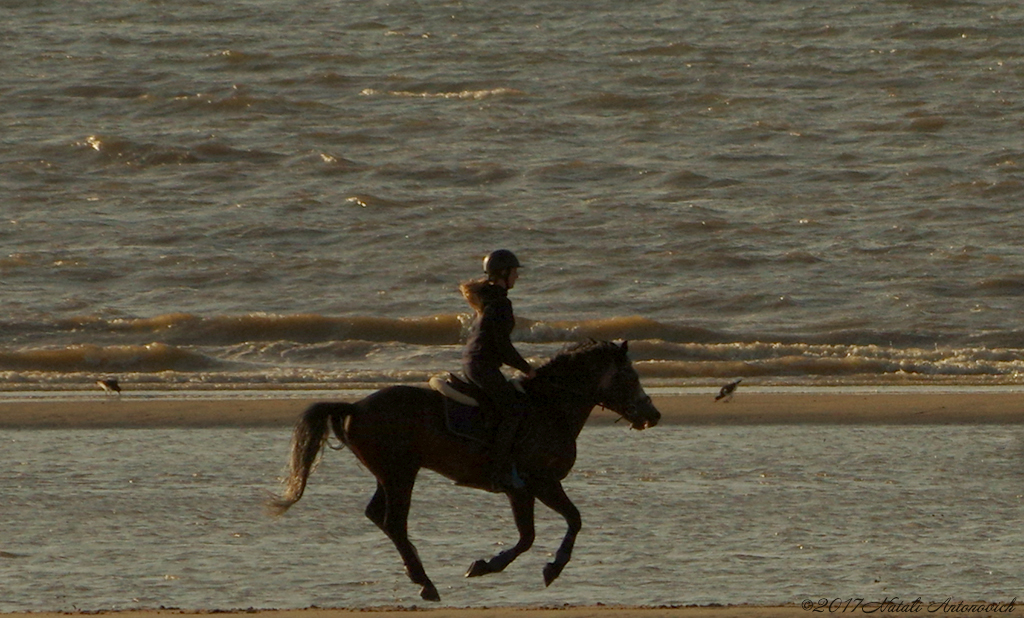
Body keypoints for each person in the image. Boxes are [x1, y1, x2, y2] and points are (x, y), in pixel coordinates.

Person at [460, 249, 536, 491]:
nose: (517, 276)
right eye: (514, 272)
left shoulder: (490, 299)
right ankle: (498, 472)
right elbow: (502, 346)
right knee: (513, 411)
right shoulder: (500, 303)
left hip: (474, 364)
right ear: (503, 273)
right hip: (482, 366)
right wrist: (527, 369)